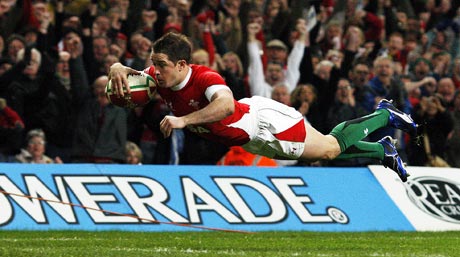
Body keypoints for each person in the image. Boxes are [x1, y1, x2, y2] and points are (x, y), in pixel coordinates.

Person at [108, 32, 418, 182]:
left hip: (263, 124)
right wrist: (117, 67)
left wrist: (184, 121)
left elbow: (226, 106)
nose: (155, 70)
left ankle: (384, 114)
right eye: (154, 64)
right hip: (254, 138)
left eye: (161, 65)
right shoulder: (158, 76)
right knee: (326, 149)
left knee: (330, 148)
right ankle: (383, 150)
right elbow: (130, 74)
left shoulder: (205, 78)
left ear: (182, 64)